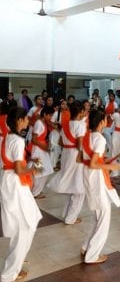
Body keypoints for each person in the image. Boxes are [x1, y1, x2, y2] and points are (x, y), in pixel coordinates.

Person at [0, 107, 42, 282]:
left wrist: (29, 161)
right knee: (25, 227)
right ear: (19, 120)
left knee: (27, 222)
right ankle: (9, 274)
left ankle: (17, 258)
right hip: (16, 184)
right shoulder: (17, 141)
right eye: (25, 119)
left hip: (9, 182)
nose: (28, 121)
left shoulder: (6, 137)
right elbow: (18, 169)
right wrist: (33, 170)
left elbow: (12, 162)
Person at [81, 109, 120, 264]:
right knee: (104, 217)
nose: (107, 121)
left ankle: (86, 247)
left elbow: (82, 159)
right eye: (105, 119)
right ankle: (92, 256)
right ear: (101, 122)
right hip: (96, 179)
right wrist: (111, 167)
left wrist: (103, 162)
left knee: (98, 217)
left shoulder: (86, 137)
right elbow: (93, 163)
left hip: (88, 176)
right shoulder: (100, 138)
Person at [47, 101, 86, 225]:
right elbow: (80, 143)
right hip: (76, 154)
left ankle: (66, 213)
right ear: (81, 112)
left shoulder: (65, 124)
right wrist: (83, 156)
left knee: (72, 184)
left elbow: (60, 143)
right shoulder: (80, 125)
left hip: (66, 153)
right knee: (79, 187)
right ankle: (71, 218)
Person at [29, 106, 55, 198]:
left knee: (45, 171)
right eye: (50, 115)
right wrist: (44, 147)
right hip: (37, 151)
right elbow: (34, 140)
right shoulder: (39, 123)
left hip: (41, 151)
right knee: (39, 172)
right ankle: (35, 192)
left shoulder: (43, 123)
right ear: (44, 114)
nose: (51, 118)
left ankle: (36, 191)